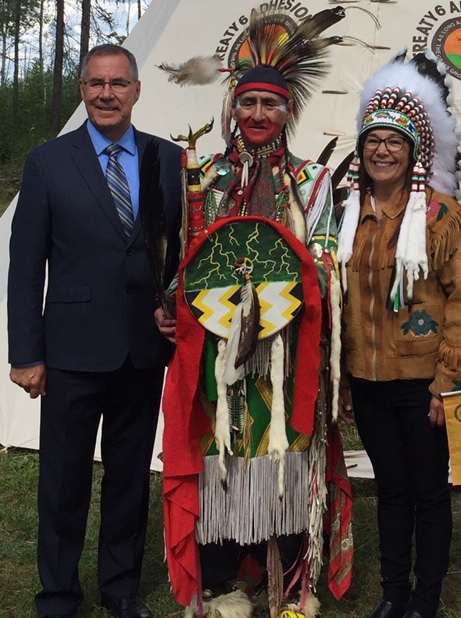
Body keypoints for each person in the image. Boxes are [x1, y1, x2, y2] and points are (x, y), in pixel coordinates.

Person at [157, 8, 351, 618]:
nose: (260, 115)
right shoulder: (204, 179)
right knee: (223, 452)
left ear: (288, 111)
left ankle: (294, 581)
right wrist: (173, 302)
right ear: (232, 110)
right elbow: (188, 259)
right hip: (218, 349)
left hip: (290, 347)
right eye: (249, 104)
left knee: (288, 453)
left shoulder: (312, 182)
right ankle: (222, 582)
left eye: (272, 104)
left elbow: (321, 258)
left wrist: (283, 300)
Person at [7, 44, 182, 618]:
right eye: (96, 84)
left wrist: (174, 307)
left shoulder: (169, 160)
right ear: (83, 90)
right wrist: (26, 353)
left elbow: (179, 254)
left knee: (130, 478)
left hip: (142, 347)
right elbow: (26, 263)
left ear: (136, 90)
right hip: (71, 351)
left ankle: (121, 588)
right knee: (63, 481)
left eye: (118, 84)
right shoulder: (48, 162)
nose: (106, 94)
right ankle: (57, 593)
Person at [337, 51, 461, 618]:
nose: (382, 149)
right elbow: (340, 303)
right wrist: (343, 376)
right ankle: (394, 593)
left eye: (395, 140)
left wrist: (449, 381)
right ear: (361, 146)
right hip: (369, 379)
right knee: (391, 491)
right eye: (373, 138)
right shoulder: (345, 213)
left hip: (424, 379)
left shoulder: (441, 217)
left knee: (428, 491)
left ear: (414, 149)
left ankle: (427, 597)